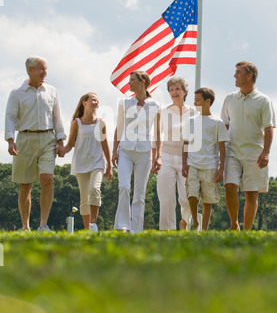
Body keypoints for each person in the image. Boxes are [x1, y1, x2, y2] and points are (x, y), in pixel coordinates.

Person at [5, 56, 66, 232]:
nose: (44, 73)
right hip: (24, 139)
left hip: (48, 139)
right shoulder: (17, 93)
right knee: (25, 185)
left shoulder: (52, 91)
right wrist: (10, 140)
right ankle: (26, 226)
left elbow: (57, 117)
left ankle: (43, 224)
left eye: (45, 69)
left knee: (47, 179)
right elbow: (10, 117)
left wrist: (61, 141)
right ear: (30, 70)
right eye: (41, 69)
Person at [220, 61, 276, 231]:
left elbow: (269, 127)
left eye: (238, 72)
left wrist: (266, 152)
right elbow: (225, 126)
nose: (234, 75)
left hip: (254, 153)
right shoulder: (230, 98)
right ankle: (234, 225)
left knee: (251, 194)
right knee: (230, 187)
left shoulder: (263, 100)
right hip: (232, 152)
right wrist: (220, 153)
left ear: (249, 75)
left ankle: (247, 231)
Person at [112, 71, 161, 232]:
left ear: (143, 82)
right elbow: (119, 127)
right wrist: (114, 151)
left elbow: (158, 133)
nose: (129, 83)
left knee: (139, 193)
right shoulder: (124, 103)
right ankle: (122, 225)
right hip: (125, 150)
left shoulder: (155, 106)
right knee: (124, 187)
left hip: (144, 152)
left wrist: (158, 156)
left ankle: (136, 229)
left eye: (132, 80)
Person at [60, 93, 113, 231]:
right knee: (84, 199)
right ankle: (87, 230)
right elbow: (70, 144)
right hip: (81, 163)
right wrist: (62, 151)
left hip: (97, 162)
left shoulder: (100, 123)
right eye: (93, 99)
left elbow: (104, 144)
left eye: (97, 100)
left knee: (94, 189)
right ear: (84, 103)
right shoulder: (76, 122)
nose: (96, 102)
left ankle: (93, 224)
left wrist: (109, 165)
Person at [182, 88, 229, 231]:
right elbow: (185, 143)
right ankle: (196, 222)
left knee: (208, 200)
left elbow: (222, 147)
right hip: (193, 164)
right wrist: (184, 163)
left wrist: (221, 168)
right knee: (192, 194)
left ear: (207, 101)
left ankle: (204, 229)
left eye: (197, 100)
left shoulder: (217, 123)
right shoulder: (190, 121)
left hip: (210, 166)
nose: (194, 102)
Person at [157, 77, 195, 231]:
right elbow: (158, 137)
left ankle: (185, 223)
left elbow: (196, 138)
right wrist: (157, 157)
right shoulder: (163, 111)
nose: (174, 92)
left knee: (186, 198)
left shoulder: (194, 111)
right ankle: (167, 230)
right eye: (171, 89)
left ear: (185, 91)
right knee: (167, 198)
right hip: (166, 157)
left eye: (177, 88)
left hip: (187, 159)